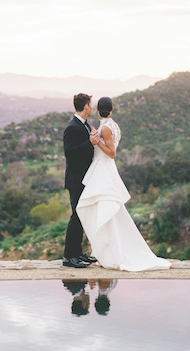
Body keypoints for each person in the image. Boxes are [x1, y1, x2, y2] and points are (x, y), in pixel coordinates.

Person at [76, 97, 171, 271]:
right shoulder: (113, 125)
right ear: (111, 110)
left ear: (98, 110)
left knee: (106, 211)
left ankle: (111, 253)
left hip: (104, 169)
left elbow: (111, 153)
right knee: (105, 212)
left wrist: (97, 142)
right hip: (102, 170)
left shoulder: (105, 128)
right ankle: (106, 251)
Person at [62, 93, 100, 268]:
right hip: (76, 180)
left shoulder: (85, 126)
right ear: (86, 106)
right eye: (91, 104)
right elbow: (70, 153)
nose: (92, 108)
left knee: (82, 216)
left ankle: (78, 253)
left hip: (84, 179)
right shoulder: (72, 127)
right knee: (76, 216)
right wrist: (90, 143)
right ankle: (69, 257)